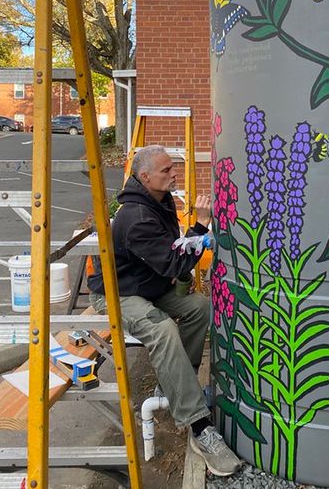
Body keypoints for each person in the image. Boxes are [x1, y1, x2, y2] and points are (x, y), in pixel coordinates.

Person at [88, 145, 242, 475]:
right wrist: (201, 227)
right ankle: (200, 429)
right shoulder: (137, 218)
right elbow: (173, 260)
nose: (174, 174)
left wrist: (185, 272)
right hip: (119, 293)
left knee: (199, 307)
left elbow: (170, 255)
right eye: (167, 170)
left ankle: (174, 385)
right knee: (162, 330)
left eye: (173, 167)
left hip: (149, 284)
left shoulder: (159, 199)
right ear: (145, 177)